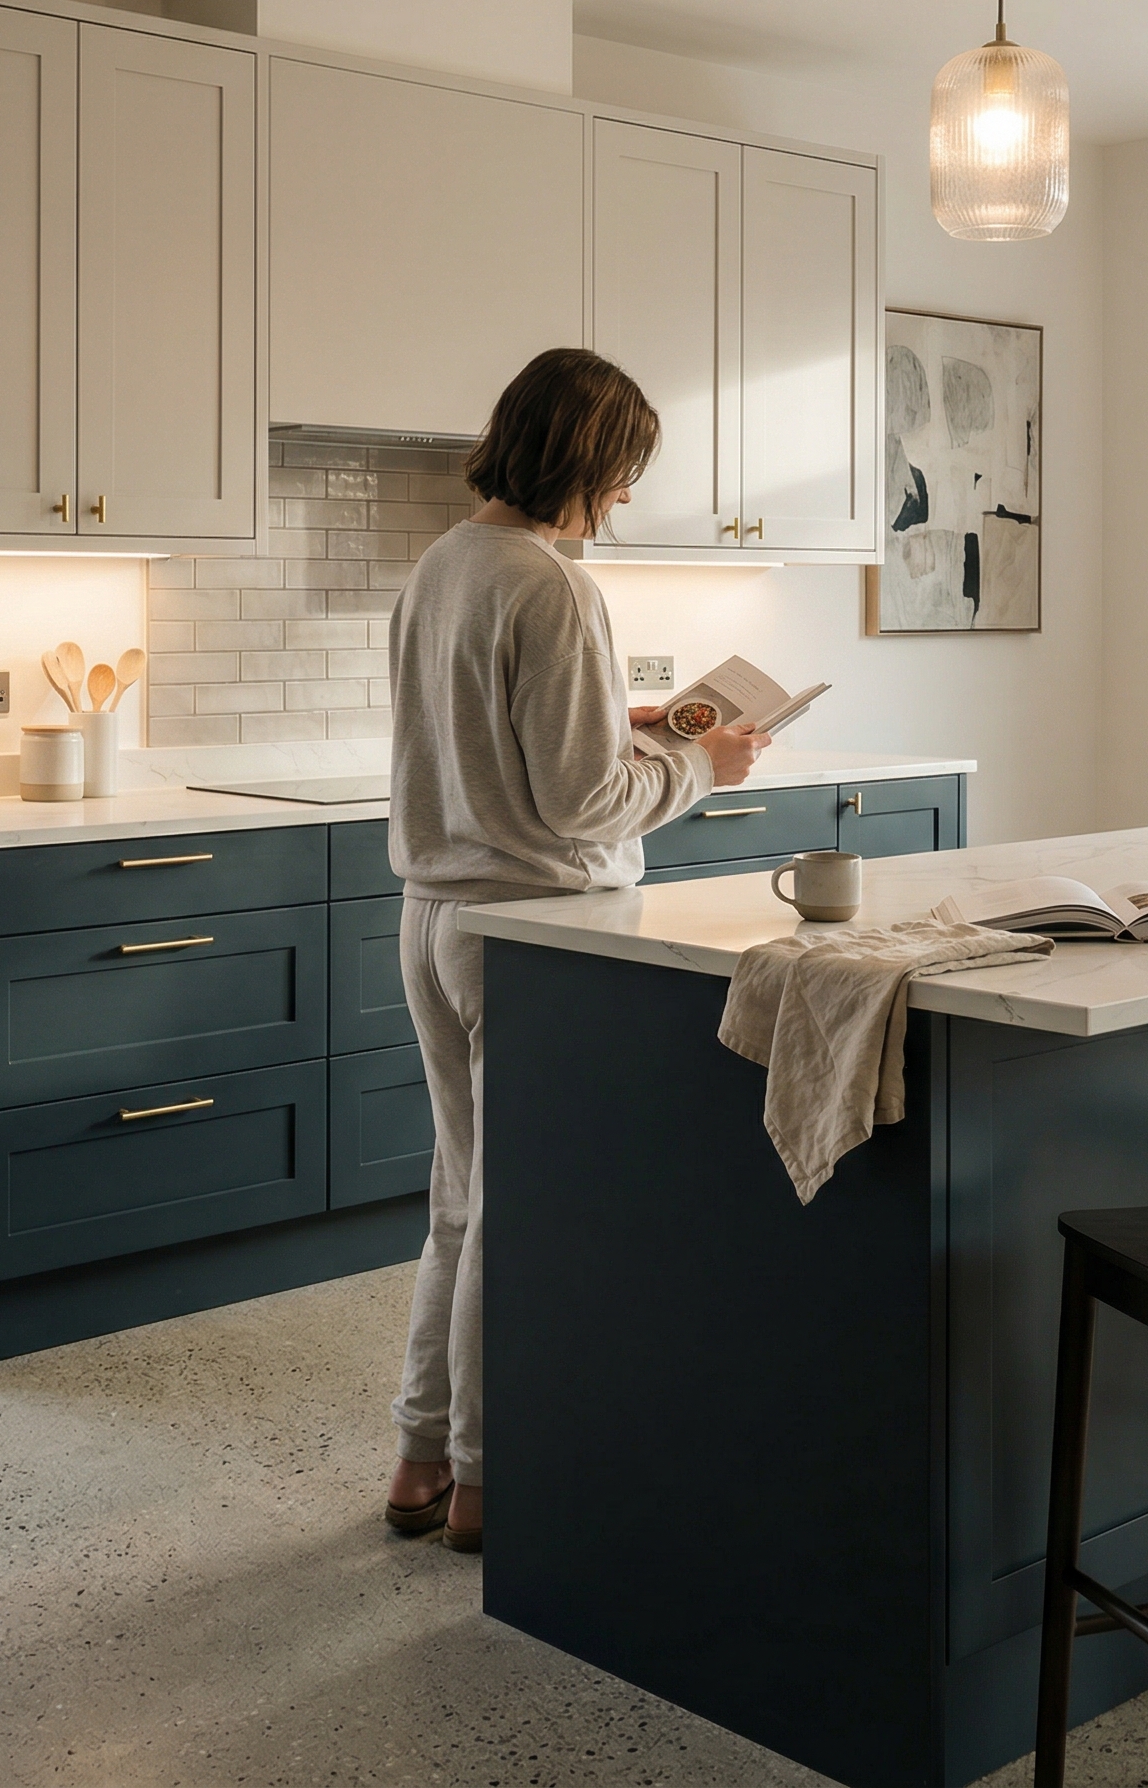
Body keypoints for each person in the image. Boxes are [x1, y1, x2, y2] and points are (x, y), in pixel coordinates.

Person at [380, 348, 770, 1552]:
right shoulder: (551, 587)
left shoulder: (440, 565)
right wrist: (703, 763)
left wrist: (628, 720)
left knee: (459, 1199)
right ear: (584, 459)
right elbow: (581, 803)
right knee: (519, 1209)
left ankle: (418, 1459)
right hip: (530, 930)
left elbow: (503, 741)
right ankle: (493, 1485)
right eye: (622, 472)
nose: (623, 499)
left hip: (432, 917)